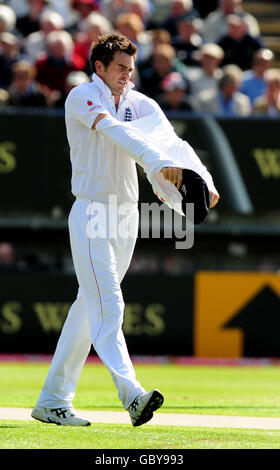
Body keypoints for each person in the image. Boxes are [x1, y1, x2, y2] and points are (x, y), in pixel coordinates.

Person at [31, 33, 219, 427]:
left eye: (130, 68)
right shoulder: (81, 96)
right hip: (91, 212)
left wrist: (202, 177)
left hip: (126, 216)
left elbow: (172, 141)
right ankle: (132, 394)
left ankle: (52, 400)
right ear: (98, 66)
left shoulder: (140, 102)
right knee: (109, 303)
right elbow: (118, 132)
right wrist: (154, 162)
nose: (126, 75)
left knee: (89, 308)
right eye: (119, 68)